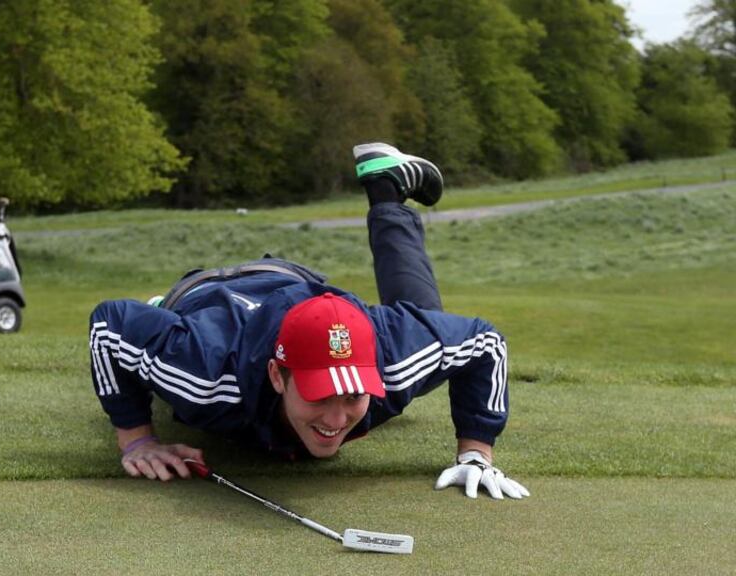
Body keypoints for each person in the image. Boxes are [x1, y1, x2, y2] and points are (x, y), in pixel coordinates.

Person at [88, 143, 529, 500]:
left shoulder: (393, 358)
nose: (336, 418)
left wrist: (475, 452)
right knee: (173, 370)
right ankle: (164, 310)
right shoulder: (206, 372)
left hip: (296, 281)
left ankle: (386, 187)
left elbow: (484, 343)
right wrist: (137, 439)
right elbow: (109, 327)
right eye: (319, 395)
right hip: (203, 297)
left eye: (354, 394)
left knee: (431, 322)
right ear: (279, 375)